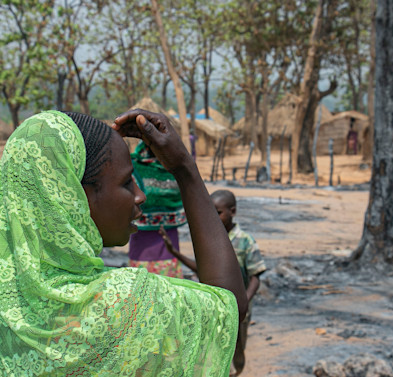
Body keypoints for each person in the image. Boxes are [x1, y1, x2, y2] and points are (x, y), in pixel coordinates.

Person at [0, 109, 247, 376]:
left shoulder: (10, 299)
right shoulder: (122, 303)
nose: (140, 196)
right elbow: (228, 305)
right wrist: (184, 169)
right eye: (127, 182)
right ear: (73, 197)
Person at [159, 189, 267, 376]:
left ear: (232, 212)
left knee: (237, 345)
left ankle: (236, 371)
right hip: (215, 307)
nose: (215, 218)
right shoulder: (210, 242)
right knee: (215, 346)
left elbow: (256, 276)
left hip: (239, 309)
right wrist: (175, 252)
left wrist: (243, 302)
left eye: (219, 213)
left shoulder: (245, 241)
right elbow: (200, 269)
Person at [128, 141, 186, 277]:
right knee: (142, 280)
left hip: (168, 231)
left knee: (169, 282)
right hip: (142, 233)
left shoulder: (174, 166)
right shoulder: (134, 165)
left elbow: (180, 192)